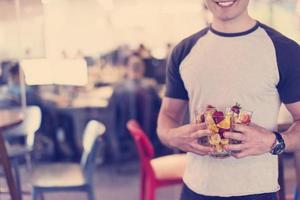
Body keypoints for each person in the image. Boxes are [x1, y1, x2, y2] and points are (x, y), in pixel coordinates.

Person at [157, 0, 300, 200]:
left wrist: (274, 141)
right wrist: (172, 137)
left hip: (257, 192)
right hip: (195, 189)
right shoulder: (183, 51)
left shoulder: (284, 51)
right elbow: (168, 115)